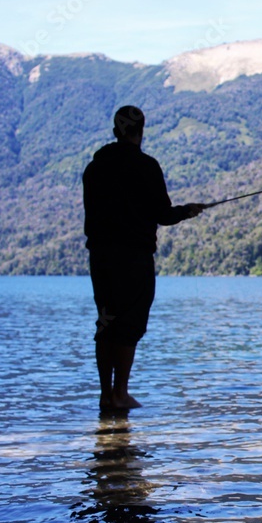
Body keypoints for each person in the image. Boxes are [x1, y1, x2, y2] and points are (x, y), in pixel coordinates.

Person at [82, 105, 206, 410]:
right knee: (130, 324)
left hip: (101, 259)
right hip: (134, 259)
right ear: (141, 131)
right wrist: (188, 211)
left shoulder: (94, 168)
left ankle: (105, 394)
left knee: (106, 321)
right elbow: (162, 215)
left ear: (115, 131)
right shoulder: (146, 166)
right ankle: (121, 393)